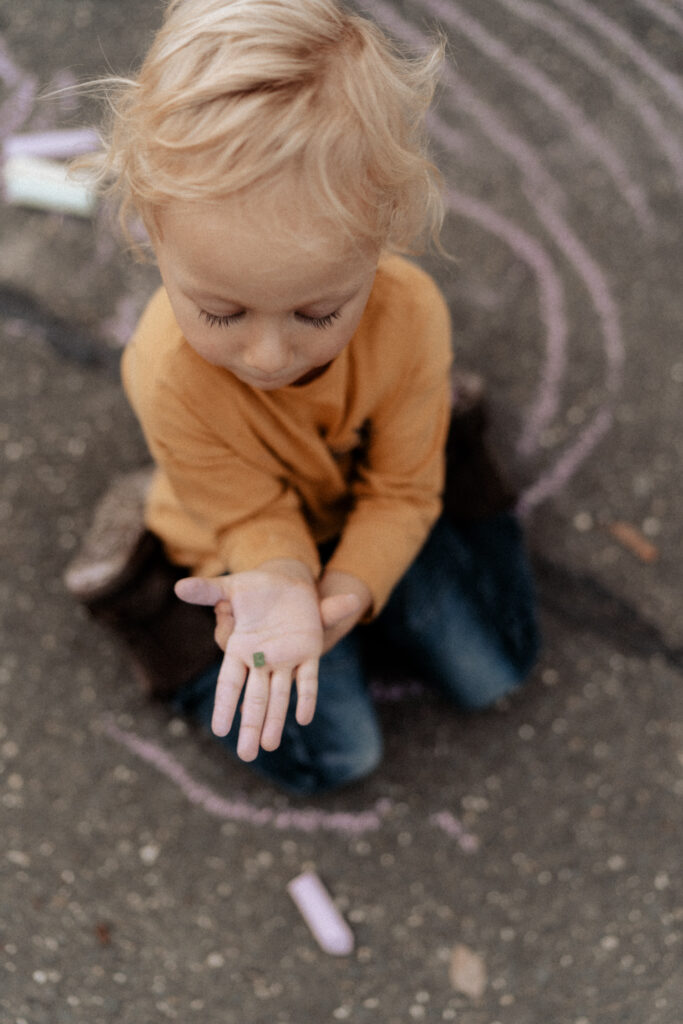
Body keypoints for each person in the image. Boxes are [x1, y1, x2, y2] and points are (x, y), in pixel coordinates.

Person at [66, 0, 539, 795]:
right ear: (152, 231)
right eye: (222, 311)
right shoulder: (165, 368)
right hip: (240, 540)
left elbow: (397, 492)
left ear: (378, 237)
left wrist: (348, 595)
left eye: (318, 312)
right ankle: (143, 584)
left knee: (499, 667)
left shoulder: (408, 312)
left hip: (361, 496)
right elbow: (252, 518)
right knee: (342, 758)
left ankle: (431, 421)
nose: (268, 355)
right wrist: (287, 590)